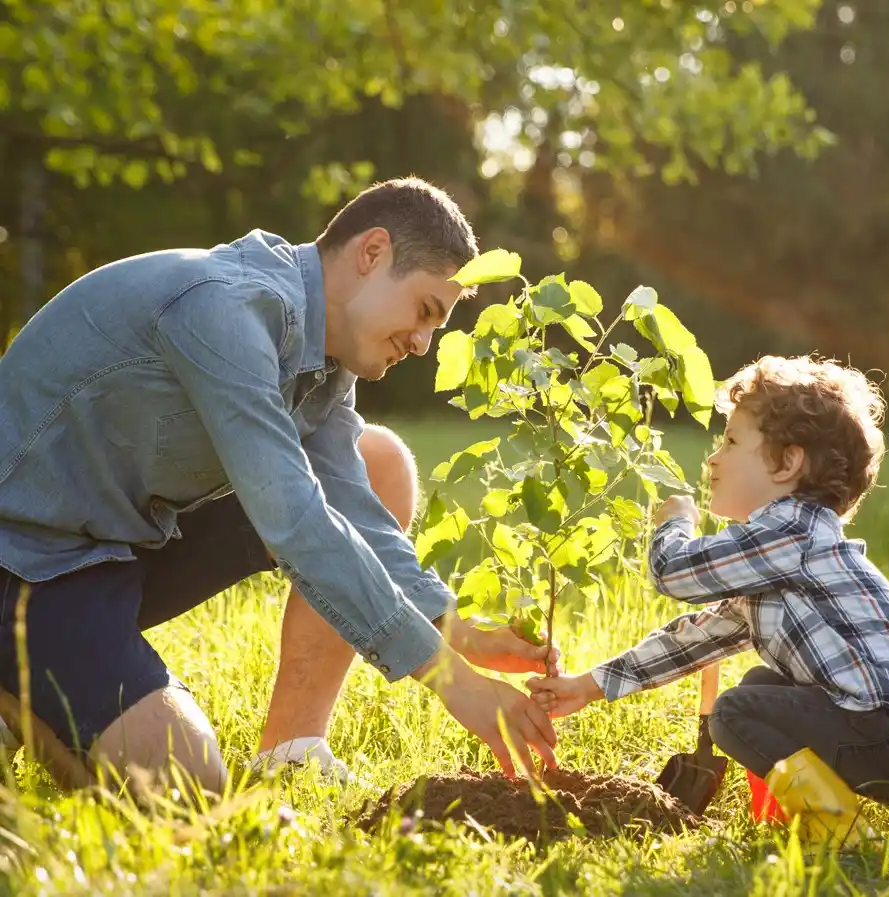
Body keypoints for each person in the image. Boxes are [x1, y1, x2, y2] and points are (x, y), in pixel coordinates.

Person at [0, 177, 558, 793]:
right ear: (372, 254)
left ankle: (291, 749)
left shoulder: (324, 358)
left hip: (119, 546)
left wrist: (457, 630)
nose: (425, 344)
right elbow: (295, 521)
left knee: (379, 462)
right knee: (187, 786)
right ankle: (20, 690)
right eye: (426, 311)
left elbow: (355, 509)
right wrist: (453, 682)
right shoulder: (226, 309)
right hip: (27, 561)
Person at [528, 355, 889, 841]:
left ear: (788, 463)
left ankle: (841, 835)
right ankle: (794, 817)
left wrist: (676, 524)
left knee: (735, 712)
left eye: (731, 441)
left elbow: (674, 572)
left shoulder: (791, 531)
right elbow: (696, 640)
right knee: (760, 685)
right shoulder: (781, 556)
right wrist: (588, 685)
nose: (713, 458)